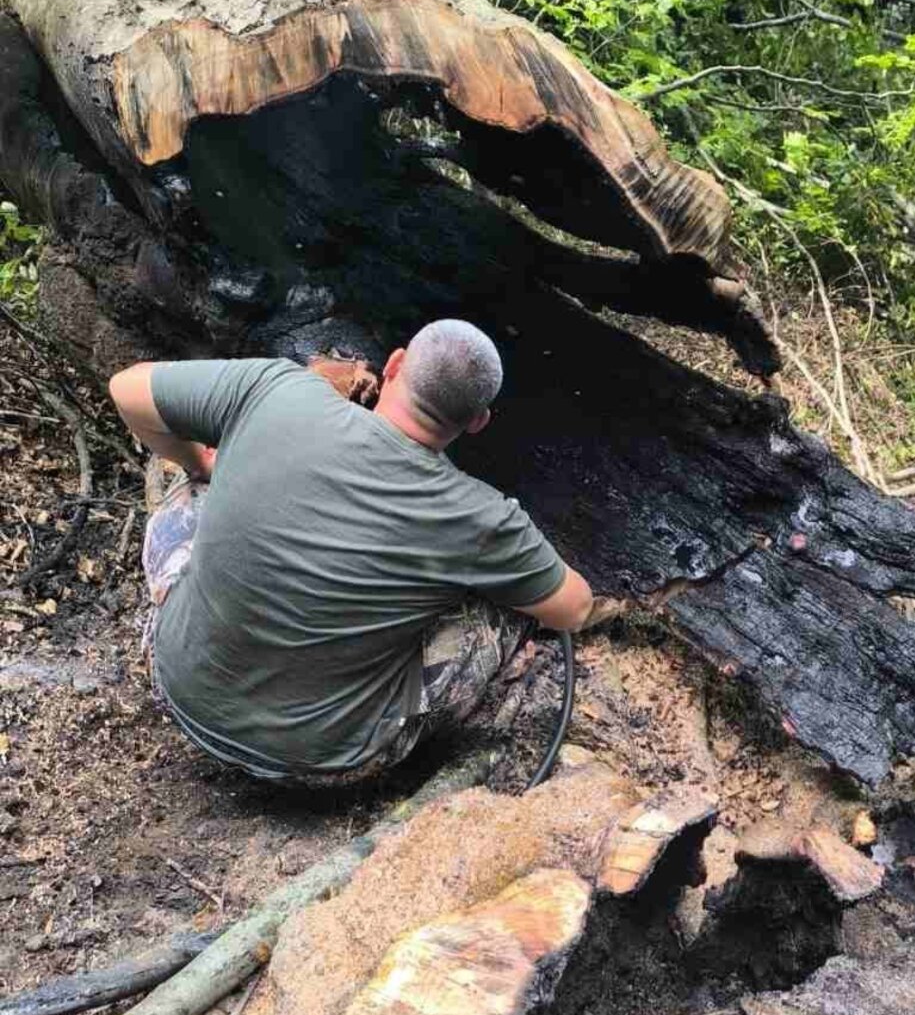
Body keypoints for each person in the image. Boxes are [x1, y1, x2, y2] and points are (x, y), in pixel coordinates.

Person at [108, 320, 595, 785]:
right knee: (501, 611)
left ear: (394, 365)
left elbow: (126, 389)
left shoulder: (272, 387)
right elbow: (574, 607)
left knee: (181, 458)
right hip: (318, 763)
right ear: (478, 422)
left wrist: (202, 463)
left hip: (175, 684)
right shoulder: (482, 518)